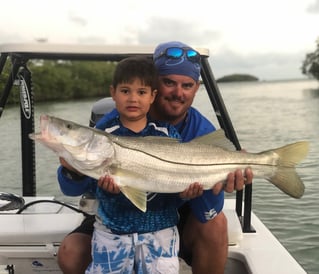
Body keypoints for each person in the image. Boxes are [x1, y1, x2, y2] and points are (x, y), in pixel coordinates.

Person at [57, 41, 253, 274]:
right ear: (154, 85)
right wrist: (73, 170)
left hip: (174, 216)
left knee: (216, 224)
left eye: (187, 85)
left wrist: (208, 189)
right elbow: (76, 185)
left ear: (196, 88)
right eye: (169, 82)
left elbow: (207, 212)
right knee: (70, 253)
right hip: (119, 217)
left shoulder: (202, 131)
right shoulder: (116, 122)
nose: (178, 93)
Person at [57, 56, 202, 274]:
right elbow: (75, 187)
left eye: (141, 92)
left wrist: (187, 193)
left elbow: (173, 182)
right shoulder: (103, 135)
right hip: (112, 234)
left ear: (153, 96)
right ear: (113, 93)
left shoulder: (167, 134)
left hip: (160, 233)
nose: (133, 98)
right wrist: (72, 171)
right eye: (125, 91)